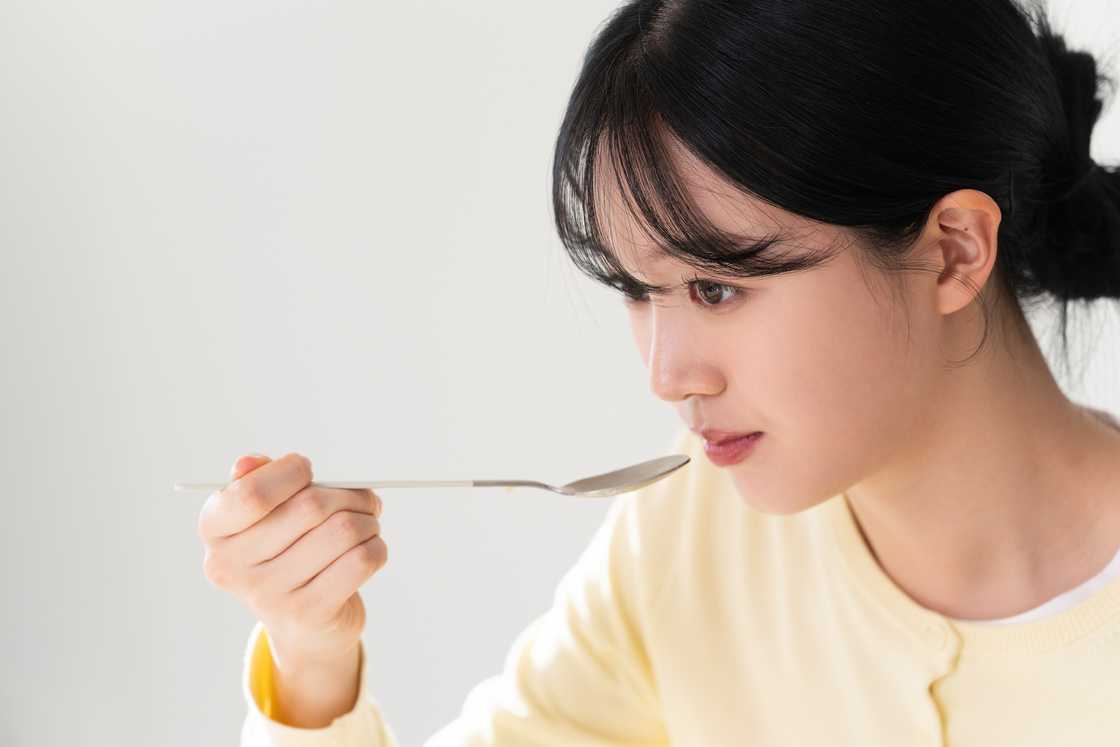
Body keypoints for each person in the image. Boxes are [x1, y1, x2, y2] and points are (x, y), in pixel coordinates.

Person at [196, 0, 1120, 743]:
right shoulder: (687, 538)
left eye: (716, 287)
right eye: (639, 291)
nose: (668, 376)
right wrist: (313, 657)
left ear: (954, 251)